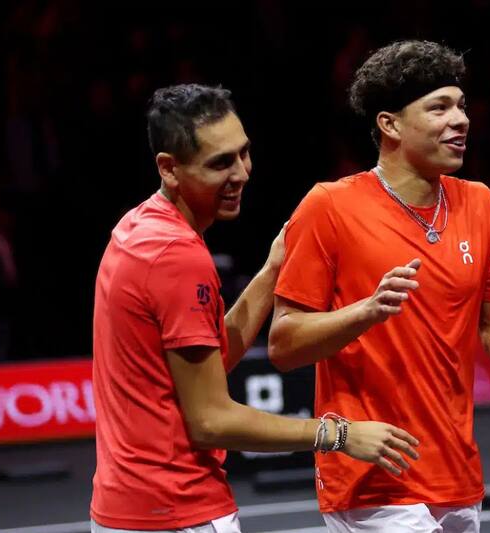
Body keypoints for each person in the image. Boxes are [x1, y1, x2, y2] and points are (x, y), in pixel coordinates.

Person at [268, 40, 490, 533]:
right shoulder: (329, 207)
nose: (461, 120)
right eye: (439, 107)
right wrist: (364, 312)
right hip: (372, 477)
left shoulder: (480, 203)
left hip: (457, 470)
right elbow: (284, 343)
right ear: (390, 124)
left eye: (462, 106)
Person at [90, 84, 420, 533]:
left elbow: (208, 362)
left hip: (126, 506)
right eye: (220, 163)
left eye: (244, 153)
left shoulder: (137, 228)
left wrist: (270, 272)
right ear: (169, 168)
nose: (242, 173)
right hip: (178, 510)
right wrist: (338, 435)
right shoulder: (178, 257)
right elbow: (210, 420)